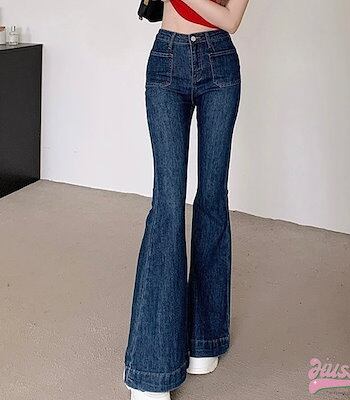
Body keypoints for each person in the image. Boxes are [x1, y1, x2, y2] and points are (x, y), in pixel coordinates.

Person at [123, 0, 250, 398]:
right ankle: (152, 366)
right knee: (167, 206)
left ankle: (205, 338)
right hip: (167, 58)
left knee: (212, 199)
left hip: (219, 64)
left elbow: (231, 20)